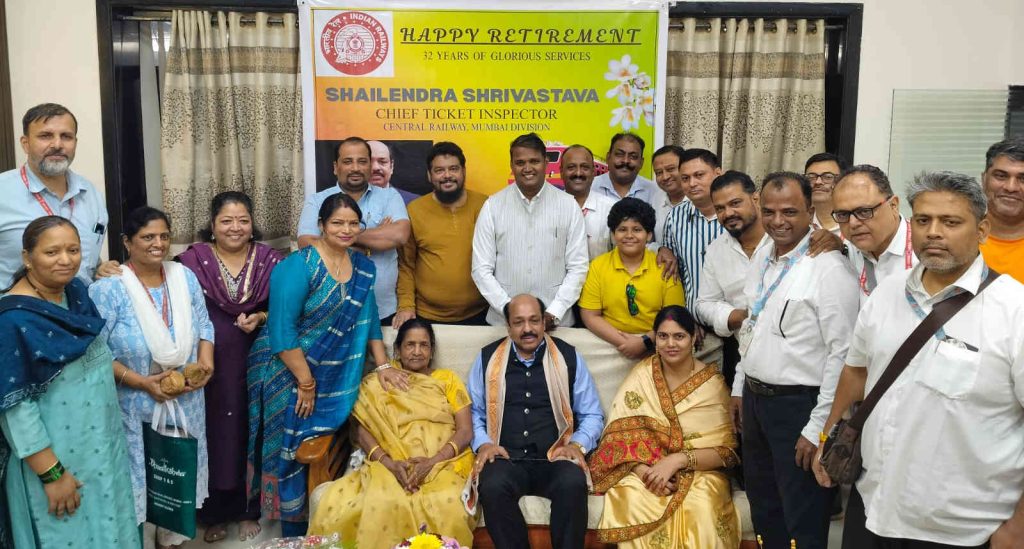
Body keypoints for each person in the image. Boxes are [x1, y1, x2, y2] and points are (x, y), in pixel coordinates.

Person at [813, 171, 1024, 549]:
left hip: (960, 528)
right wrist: (826, 435)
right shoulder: (888, 293)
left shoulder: (1013, 310)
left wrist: (1019, 527)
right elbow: (857, 371)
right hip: (874, 505)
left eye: (951, 222)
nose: (934, 232)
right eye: (924, 220)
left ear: (982, 230)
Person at [248, 193, 403, 537]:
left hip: (331, 373)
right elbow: (282, 331)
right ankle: (291, 528)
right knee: (288, 448)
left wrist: (383, 366)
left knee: (318, 442)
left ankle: (316, 517)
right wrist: (305, 381)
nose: (346, 230)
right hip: (284, 371)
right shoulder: (297, 266)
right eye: (337, 223)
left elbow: (369, 318)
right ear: (321, 225)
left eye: (353, 223)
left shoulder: (362, 267)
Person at [732, 173, 859, 549]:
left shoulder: (829, 267)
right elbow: (752, 323)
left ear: (809, 211)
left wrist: (818, 428)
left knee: (801, 516)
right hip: (756, 401)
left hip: (800, 406)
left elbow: (843, 354)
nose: (778, 221)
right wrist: (740, 387)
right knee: (764, 507)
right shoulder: (763, 256)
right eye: (769, 212)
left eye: (789, 211)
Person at [0, 216, 139, 549]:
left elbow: (97, 357)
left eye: (73, 250)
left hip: (102, 447)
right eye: (52, 252)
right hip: (57, 461)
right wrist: (52, 475)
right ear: (27, 257)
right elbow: (15, 410)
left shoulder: (75, 292)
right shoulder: (13, 320)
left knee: (112, 527)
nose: (65, 260)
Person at [89, 206, 215, 549]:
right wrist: (141, 382)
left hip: (187, 400)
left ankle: (172, 540)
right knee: (143, 480)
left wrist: (206, 363)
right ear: (127, 242)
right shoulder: (109, 288)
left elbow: (205, 324)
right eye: (147, 237)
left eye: (164, 236)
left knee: (178, 475)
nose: (158, 243)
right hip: (135, 405)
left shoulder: (183, 277)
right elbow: (96, 353)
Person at [309, 319, 476, 547]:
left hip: (441, 464)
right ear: (397, 349)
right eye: (410, 345)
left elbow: (465, 431)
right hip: (389, 465)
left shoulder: (448, 379)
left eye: (424, 345)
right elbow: (361, 429)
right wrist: (390, 464)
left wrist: (432, 462)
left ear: (432, 350)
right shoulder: (378, 381)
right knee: (379, 499)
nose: (417, 352)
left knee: (449, 504)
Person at [176, 191, 283, 542]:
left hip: (256, 360)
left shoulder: (270, 260)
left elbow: (285, 306)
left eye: (243, 220)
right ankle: (213, 513)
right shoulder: (190, 262)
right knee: (214, 432)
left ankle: (249, 509)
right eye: (226, 221)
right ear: (212, 225)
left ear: (252, 224)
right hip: (209, 362)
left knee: (252, 427)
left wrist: (261, 316)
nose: (235, 227)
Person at [589, 305, 741, 548]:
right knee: (631, 498)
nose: (671, 344)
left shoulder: (712, 385)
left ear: (693, 338)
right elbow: (617, 440)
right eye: (663, 336)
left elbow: (727, 452)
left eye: (679, 336)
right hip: (647, 471)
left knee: (701, 507)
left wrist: (677, 460)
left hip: (700, 473)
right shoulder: (642, 375)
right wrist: (645, 473)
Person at [467, 294, 605, 549]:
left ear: (544, 322)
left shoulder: (568, 357)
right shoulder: (487, 358)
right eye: (518, 322)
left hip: (554, 458)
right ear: (508, 326)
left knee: (572, 481)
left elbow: (592, 414)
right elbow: (474, 412)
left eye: (534, 320)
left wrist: (576, 445)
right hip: (506, 458)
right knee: (492, 485)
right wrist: (484, 444)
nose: (527, 329)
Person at [472, 133, 589, 327]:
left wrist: (555, 311)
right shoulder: (493, 206)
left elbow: (578, 267)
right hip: (504, 322)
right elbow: (481, 269)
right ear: (511, 165)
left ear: (546, 163)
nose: (527, 168)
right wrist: (509, 310)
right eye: (520, 162)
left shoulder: (568, 206)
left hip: (557, 323)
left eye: (534, 161)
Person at [0, 103, 119, 287]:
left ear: (75, 143)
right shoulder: (3, 191)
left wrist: (99, 269)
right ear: (25, 143)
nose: (57, 145)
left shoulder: (91, 194)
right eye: (45, 136)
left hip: (81, 303)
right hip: (19, 304)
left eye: (66, 136)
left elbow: (88, 262)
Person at [297, 137, 410, 324]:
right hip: (332, 310)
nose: (355, 168)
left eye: (362, 161)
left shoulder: (389, 196)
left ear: (369, 166)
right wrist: (375, 237)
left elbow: (400, 235)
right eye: (348, 161)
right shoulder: (316, 201)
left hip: (382, 310)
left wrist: (336, 237)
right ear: (336, 167)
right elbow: (307, 244)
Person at [394, 142, 488, 328]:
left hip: (481, 313)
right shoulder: (414, 210)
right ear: (429, 175)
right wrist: (406, 306)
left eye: (453, 169)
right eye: (439, 170)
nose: (447, 175)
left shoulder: (485, 205)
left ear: (463, 171)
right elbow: (406, 265)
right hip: (427, 316)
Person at [579, 198, 684, 359]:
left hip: (656, 342)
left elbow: (674, 316)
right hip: (610, 342)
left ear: (649, 235)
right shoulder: (598, 266)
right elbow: (590, 315)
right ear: (613, 234)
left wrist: (644, 342)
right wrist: (625, 343)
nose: (629, 236)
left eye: (637, 229)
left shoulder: (665, 268)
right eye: (622, 229)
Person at [694, 171, 770, 388]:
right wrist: (738, 316)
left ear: (755, 199)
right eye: (720, 208)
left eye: (735, 203)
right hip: (742, 353)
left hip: (793, 355)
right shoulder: (716, 250)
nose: (728, 213)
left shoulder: (782, 239)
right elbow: (704, 303)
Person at [831, 165, 917, 304]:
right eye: (843, 214)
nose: (853, 223)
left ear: (893, 205)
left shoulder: (924, 252)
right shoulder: (841, 252)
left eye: (864, 211)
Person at [663, 148, 727, 305]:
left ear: (718, 173)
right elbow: (673, 271)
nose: (692, 184)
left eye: (699, 175)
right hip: (691, 316)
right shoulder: (675, 217)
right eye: (685, 178)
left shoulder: (736, 215)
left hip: (733, 316)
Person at [561, 144, 619, 261]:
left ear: (593, 172)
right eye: (571, 167)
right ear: (561, 171)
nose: (578, 173)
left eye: (585, 167)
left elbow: (621, 254)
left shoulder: (612, 209)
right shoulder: (549, 208)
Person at [979, 137, 1024, 282]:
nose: (1011, 187)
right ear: (983, 179)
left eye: (1023, 179)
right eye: (1000, 176)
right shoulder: (959, 238)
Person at [592, 132, 664, 203]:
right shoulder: (591, 187)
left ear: (641, 163)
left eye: (633, 156)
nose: (625, 161)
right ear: (608, 157)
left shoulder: (655, 192)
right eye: (619, 154)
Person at [804, 152, 850, 235]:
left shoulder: (855, 224)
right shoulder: (799, 225)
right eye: (811, 177)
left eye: (828, 177)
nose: (818, 182)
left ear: (843, 181)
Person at [368, 140, 419, 205]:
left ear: (391, 167)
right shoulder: (353, 202)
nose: (375, 167)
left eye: (382, 162)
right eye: (368, 162)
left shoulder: (415, 203)